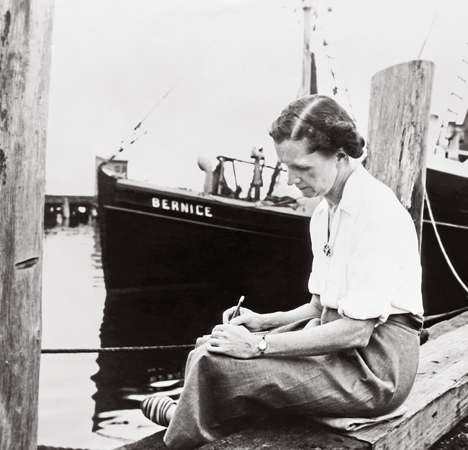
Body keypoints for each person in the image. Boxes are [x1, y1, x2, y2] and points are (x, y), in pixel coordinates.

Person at [140, 94, 424, 450]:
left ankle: (184, 427)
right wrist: (262, 322)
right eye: (286, 167)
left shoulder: (376, 211)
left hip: (375, 371)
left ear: (340, 155)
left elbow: (356, 331)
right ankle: (194, 416)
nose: (291, 180)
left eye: (302, 168)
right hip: (339, 343)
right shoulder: (324, 213)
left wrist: (258, 346)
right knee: (210, 346)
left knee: (218, 365)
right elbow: (318, 307)